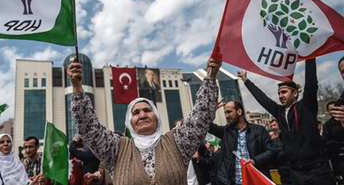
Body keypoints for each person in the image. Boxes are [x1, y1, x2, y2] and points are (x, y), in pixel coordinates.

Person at [68, 55, 221, 185]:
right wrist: (77, 88)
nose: (142, 115)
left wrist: (210, 77)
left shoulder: (177, 141)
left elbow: (201, 117)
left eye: (147, 110)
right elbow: (89, 128)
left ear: (157, 117)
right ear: (130, 122)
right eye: (136, 112)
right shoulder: (116, 148)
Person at [238, 58, 335, 185]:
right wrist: (246, 80)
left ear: (295, 93)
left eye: (284, 92)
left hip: (317, 170)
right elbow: (263, 99)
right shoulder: (279, 112)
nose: (280, 96)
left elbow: (311, 84)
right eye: (279, 93)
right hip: (295, 172)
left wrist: (310, 56)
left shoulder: (306, 107)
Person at [208, 100, 276, 185]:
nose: (226, 116)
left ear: (239, 111)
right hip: (232, 182)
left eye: (229, 112)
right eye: (225, 113)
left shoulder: (259, 130)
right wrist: (212, 110)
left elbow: (271, 150)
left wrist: (255, 161)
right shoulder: (225, 132)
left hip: (254, 180)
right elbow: (206, 125)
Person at [323, 101, 344, 184]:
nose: (334, 112)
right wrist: (333, 143)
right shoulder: (327, 125)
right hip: (337, 158)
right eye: (331, 110)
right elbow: (324, 141)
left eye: (335, 109)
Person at [269, 119, 291, 185]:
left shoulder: (287, 136)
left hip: (290, 170)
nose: (273, 127)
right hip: (283, 172)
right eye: (271, 126)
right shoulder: (272, 140)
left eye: (274, 125)